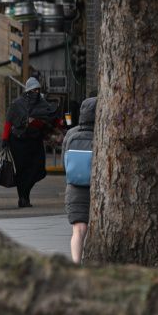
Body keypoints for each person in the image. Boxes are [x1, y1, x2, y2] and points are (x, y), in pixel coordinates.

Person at [3, 76, 60, 208]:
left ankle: (24, 196)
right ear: (28, 91)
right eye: (34, 90)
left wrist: (60, 123)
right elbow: (8, 122)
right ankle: (23, 198)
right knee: (22, 171)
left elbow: (51, 116)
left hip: (35, 141)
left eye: (38, 90)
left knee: (38, 169)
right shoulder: (17, 104)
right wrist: (5, 139)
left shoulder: (43, 103)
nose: (36, 93)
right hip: (18, 142)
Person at [63, 96, 97, 263]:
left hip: (75, 187)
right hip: (98, 188)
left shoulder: (71, 133)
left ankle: (76, 263)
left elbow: (65, 160)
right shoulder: (103, 133)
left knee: (79, 229)